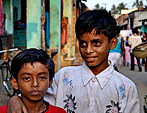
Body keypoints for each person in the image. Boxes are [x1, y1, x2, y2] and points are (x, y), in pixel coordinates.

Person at [8, 10, 140, 113]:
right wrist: (15, 100)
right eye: (83, 43)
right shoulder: (64, 77)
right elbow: (35, 100)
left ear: (112, 43)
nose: (88, 50)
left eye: (96, 43)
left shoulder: (125, 87)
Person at [0, 48, 66, 113]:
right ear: (15, 83)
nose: (35, 84)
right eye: (26, 78)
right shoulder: (0, 111)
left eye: (42, 78)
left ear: (50, 82)